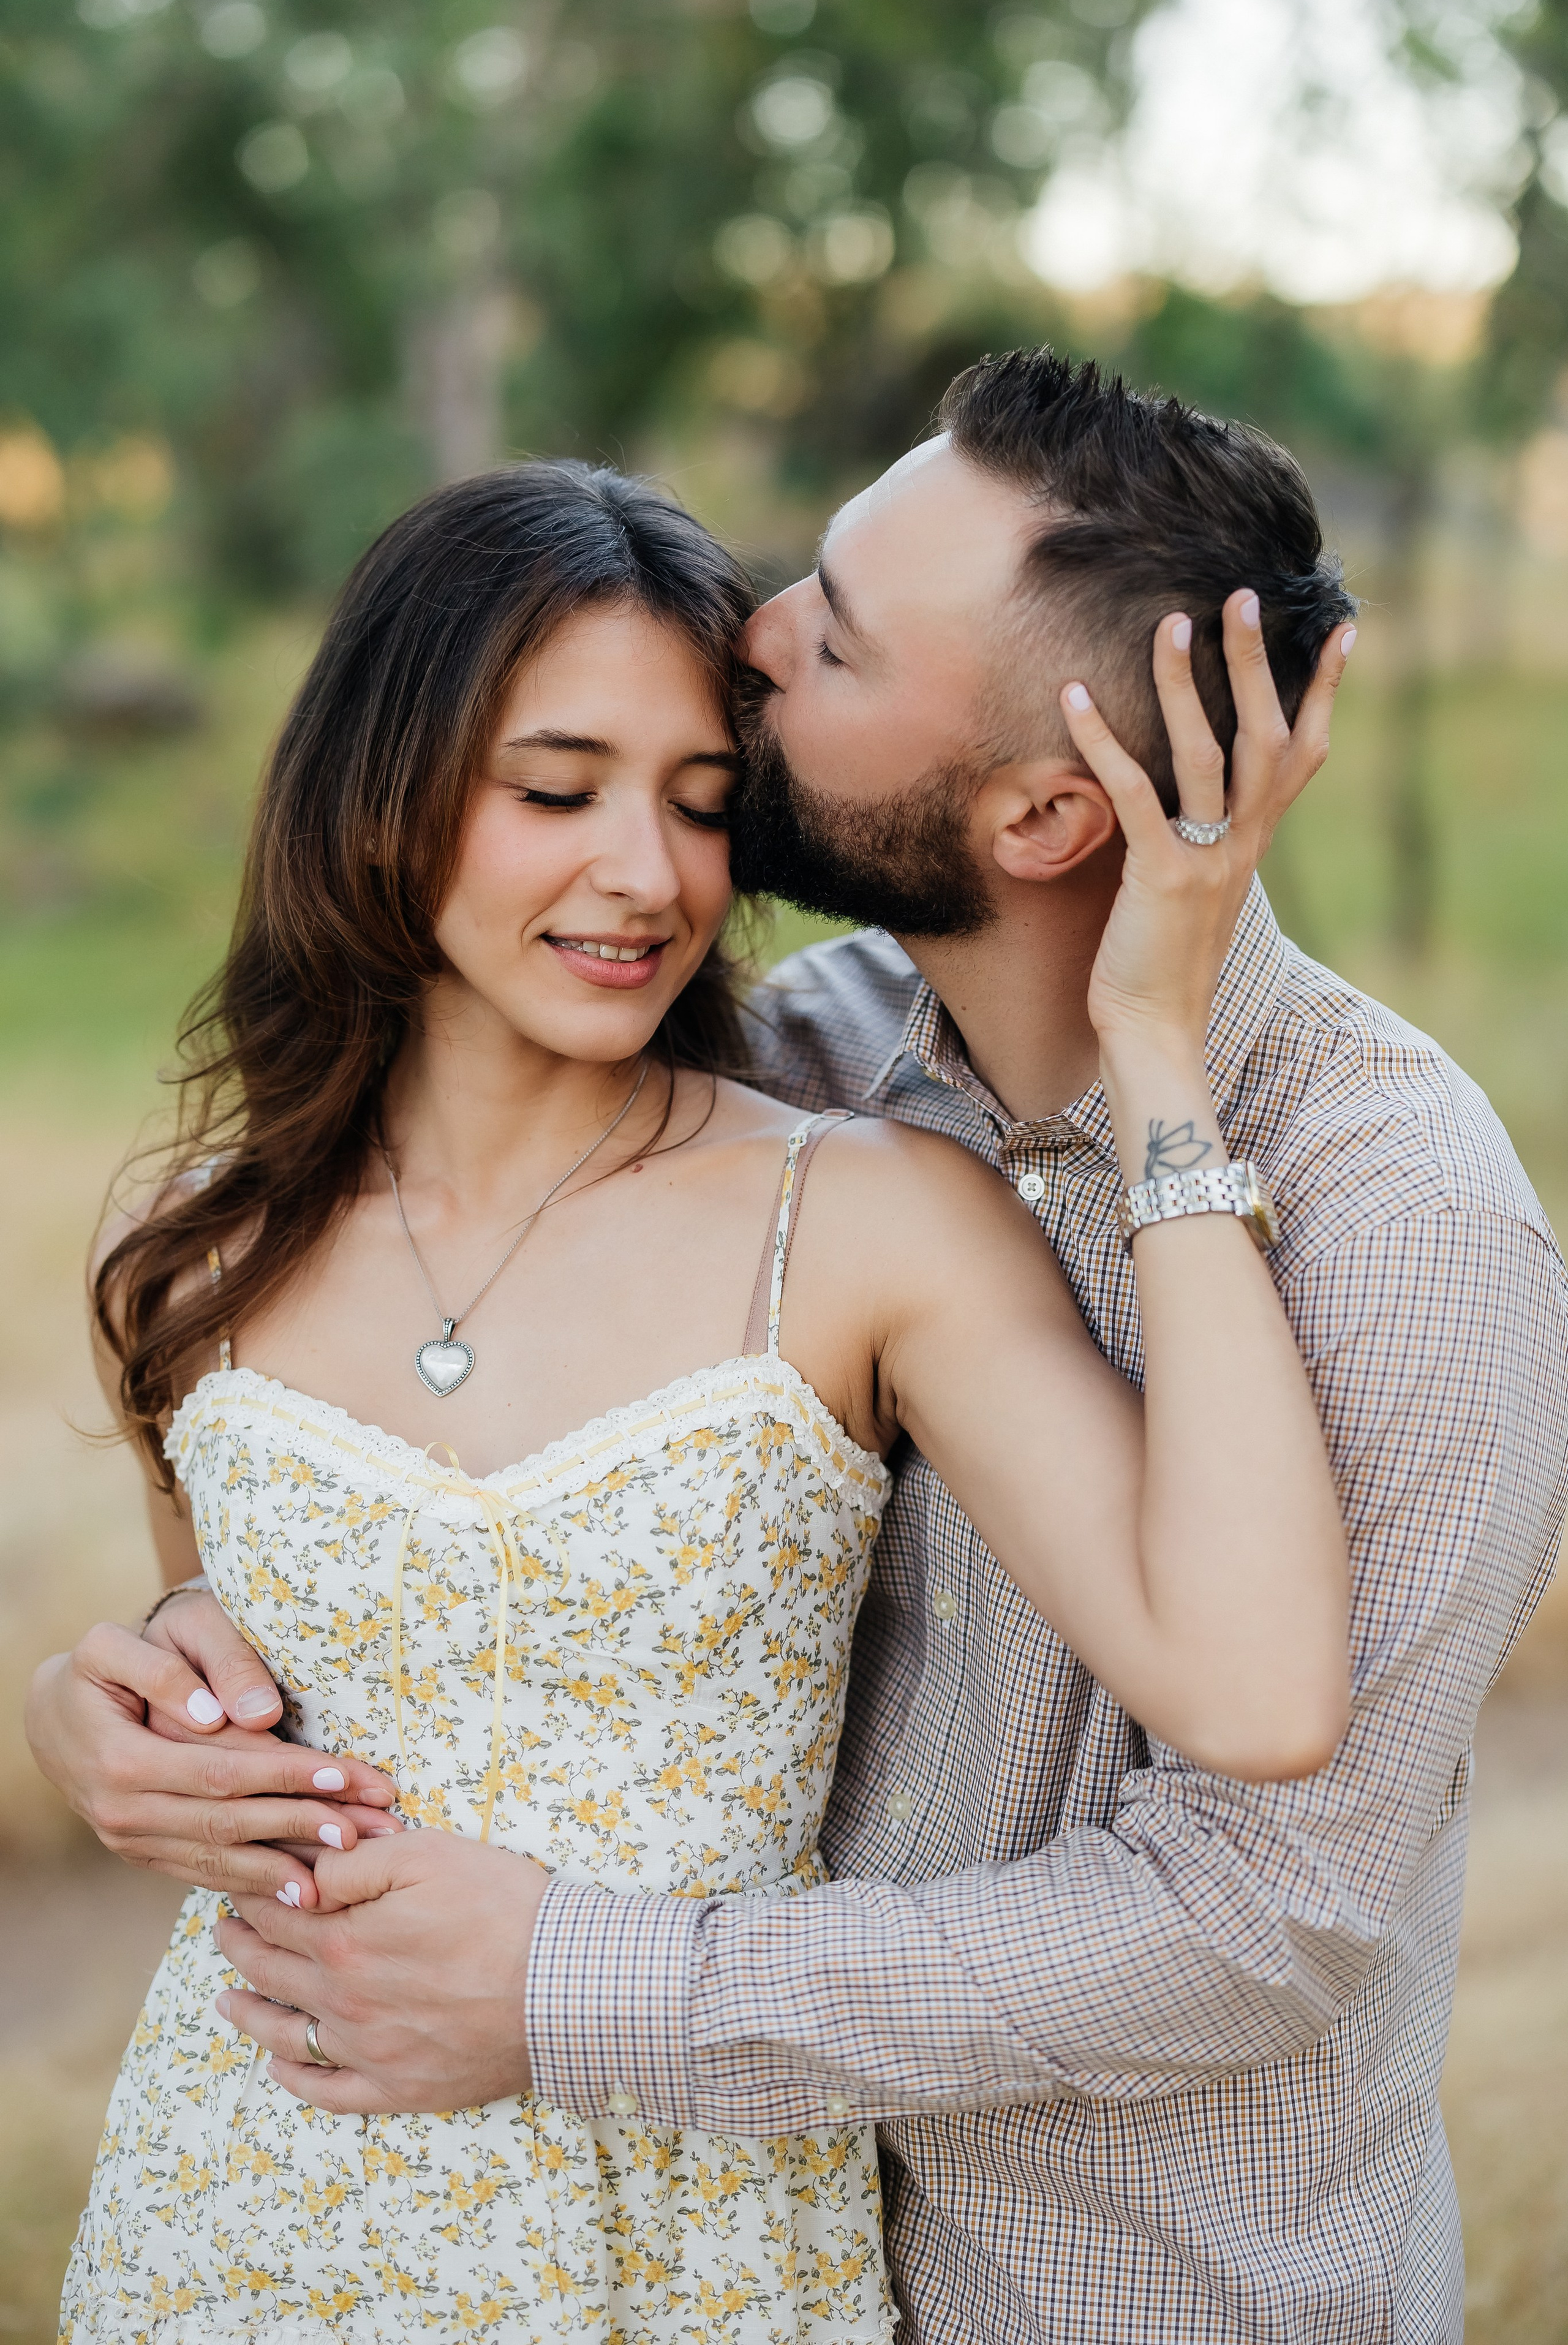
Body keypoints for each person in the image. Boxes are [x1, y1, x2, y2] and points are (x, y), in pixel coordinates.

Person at [33, 348, 1565, 2341]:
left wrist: (573, 1988)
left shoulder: (1409, 1226)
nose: (751, 639)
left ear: (1042, 811)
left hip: (1115, 2291)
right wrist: (125, 1697)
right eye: (563, 785)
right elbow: (318, 1550)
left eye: (832, 640)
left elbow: (1266, 1912)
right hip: (323, 2215)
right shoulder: (796, 1050)